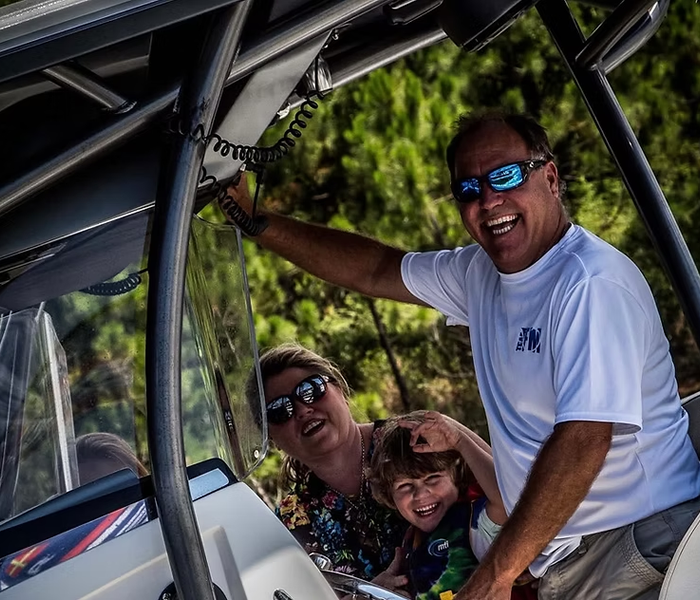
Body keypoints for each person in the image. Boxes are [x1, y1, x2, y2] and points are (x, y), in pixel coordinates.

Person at [226, 111, 700, 600]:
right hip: (570, 558)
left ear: (551, 177)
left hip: (637, 547)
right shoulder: (480, 274)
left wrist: (494, 574)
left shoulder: (588, 283)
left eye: (506, 176)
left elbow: (583, 439)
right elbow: (376, 269)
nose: (490, 199)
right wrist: (259, 224)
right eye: (469, 189)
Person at [250, 343, 408, 591]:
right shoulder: (290, 523)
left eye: (311, 389)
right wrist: (369, 595)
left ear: (340, 389)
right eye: (279, 411)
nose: (302, 410)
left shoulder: (413, 439)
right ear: (272, 440)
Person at [369, 411, 513, 600]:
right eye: (405, 485)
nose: (420, 494)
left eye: (433, 478)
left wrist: (460, 441)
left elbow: (508, 500)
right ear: (389, 494)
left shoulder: (475, 522)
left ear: (456, 476)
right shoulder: (410, 541)